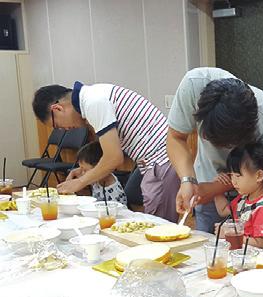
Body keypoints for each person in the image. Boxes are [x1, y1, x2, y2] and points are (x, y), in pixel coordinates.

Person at [32, 82, 179, 222]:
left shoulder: (93, 102)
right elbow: (107, 151)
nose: (64, 129)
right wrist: (84, 170)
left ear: (57, 109)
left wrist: (80, 182)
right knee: (157, 224)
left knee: (160, 228)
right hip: (158, 161)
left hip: (160, 161)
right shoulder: (92, 98)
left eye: (57, 125)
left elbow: (114, 158)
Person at [166, 67, 263, 233]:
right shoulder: (194, 86)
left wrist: (214, 188)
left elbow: (257, 175)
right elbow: (175, 137)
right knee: (206, 247)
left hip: (248, 194)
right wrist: (187, 180)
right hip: (207, 191)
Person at [214, 143, 263, 251]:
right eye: (231, 176)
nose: (233, 181)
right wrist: (217, 191)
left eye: (238, 176)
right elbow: (223, 210)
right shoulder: (244, 198)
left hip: (259, 261)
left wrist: (229, 235)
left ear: (259, 176)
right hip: (241, 254)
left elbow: (261, 244)